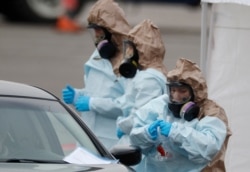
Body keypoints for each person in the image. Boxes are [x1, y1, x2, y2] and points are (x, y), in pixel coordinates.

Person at [129, 58, 232, 172]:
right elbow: (136, 139)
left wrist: (176, 133)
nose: (176, 96)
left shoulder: (211, 112)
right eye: (173, 90)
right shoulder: (161, 104)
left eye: (182, 91)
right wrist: (146, 133)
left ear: (195, 92)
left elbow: (208, 148)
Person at [61, 0, 131, 149]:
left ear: (113, 30)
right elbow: (95, 92)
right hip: (89, 139)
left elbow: (129, 105)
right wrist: (78, 95)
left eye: (100, 30)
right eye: (94, 31)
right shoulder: (97, 57)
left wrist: (92, 103)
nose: (97, 36)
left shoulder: (129, 63)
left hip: (114, 143)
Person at [115, 19, 168, 145]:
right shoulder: (150, 73)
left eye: (131, 50)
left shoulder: (148, 79)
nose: (128, 54)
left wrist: (123, 126)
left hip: (142, 141)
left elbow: (143, 115)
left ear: (141, 50)